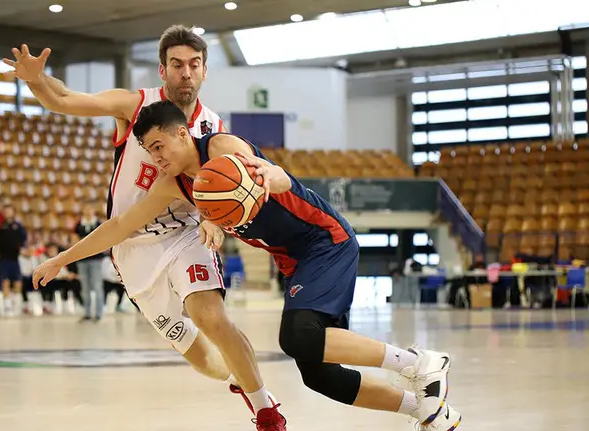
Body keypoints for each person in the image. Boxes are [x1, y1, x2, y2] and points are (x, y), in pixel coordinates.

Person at [33, 100, 463, 431]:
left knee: (298, 336)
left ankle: (417, 361)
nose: (156, 156)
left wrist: (255, 188)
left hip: (324, 240)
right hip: (294, 261)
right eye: (148, 150)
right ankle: (427, 411)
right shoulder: (173, 185)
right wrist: (61, 258)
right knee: (319, 376)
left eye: (160, 145)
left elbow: (271, 175)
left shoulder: (222, 147)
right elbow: (121, 225)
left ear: (184, 133)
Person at [5, 25, 286, 430]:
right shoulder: (134, 106)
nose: (185, 73)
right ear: (162, 70)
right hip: (132, 245)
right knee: (205, 361)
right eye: (176, 65)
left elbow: (218, 189)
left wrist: (213, 219)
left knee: (210, 316)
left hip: (187, 234)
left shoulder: (214, 127)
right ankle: (240, 379)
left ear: (204, 71)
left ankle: (266, 410)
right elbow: (65, 98)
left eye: (193, 65)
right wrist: (37, 81)